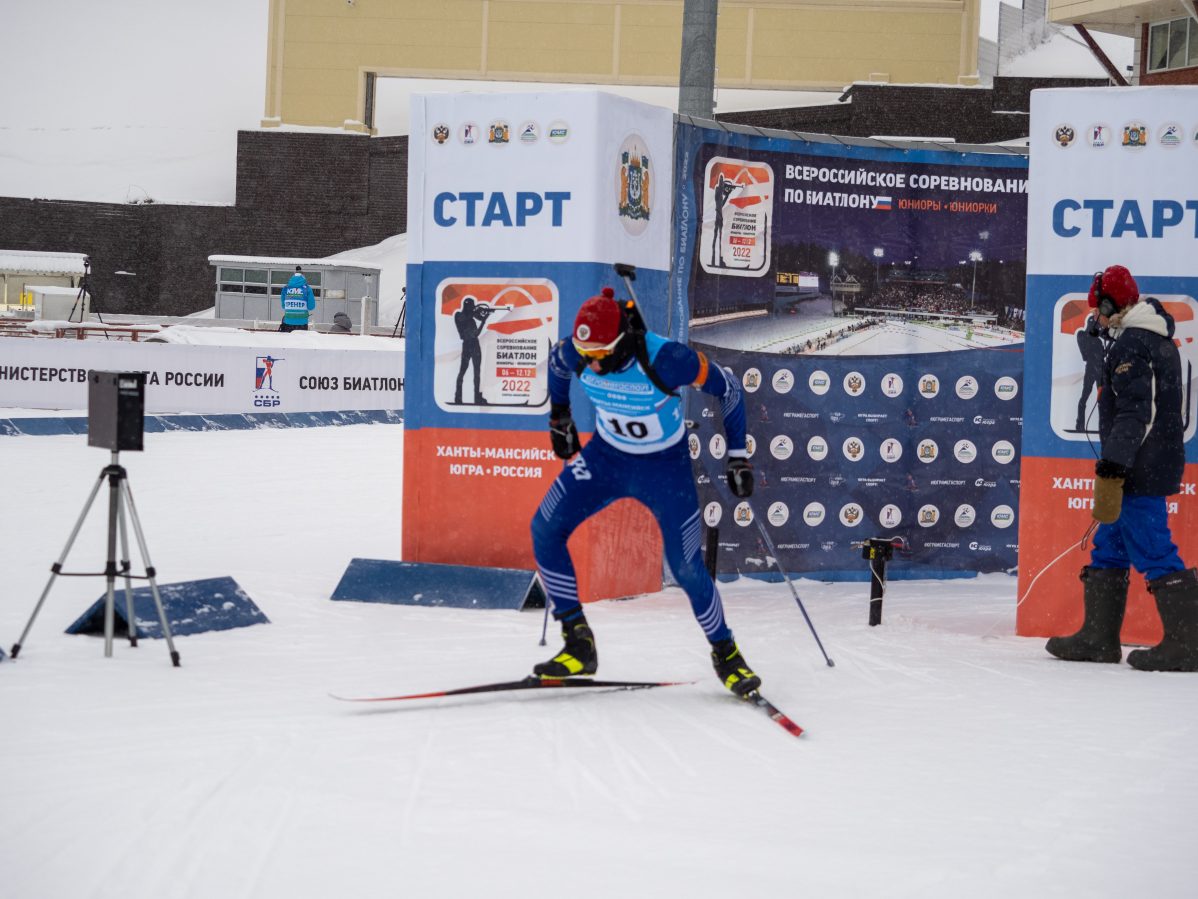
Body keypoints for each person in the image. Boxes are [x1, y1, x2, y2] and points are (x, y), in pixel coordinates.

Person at [530, 286, 761, 695]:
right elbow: (557, 364)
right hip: (607, 459)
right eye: (586, 354)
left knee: (686, 567)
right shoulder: (578, 352)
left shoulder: (667, 359)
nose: (592, 363)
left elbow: (730, 389)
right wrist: (559, 417)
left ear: (621, 342)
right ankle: (578, 642)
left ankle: (726, 654)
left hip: (664, 469)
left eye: (601, 354)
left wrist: (738, 456)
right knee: (545, 528)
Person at [1046, 264, 1197, 671]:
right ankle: (1098, 639)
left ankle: (1187, 645)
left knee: (1153, 548)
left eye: (1098, 308)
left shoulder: (1133, 344)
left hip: (1139, 468)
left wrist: (1113, 464)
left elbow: (1136, 414)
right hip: (1143, 463)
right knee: (1110, 545)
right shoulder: (1149, 339)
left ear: (1113, 305)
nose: (1095, 316)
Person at [1073, 311, 1105, 431]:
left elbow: (1102, 353)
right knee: (1087, 395)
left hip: (1097, 368)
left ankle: (1100, 425)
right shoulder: (1086, 337)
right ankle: (1080, 424)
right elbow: (1086, 353)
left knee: (1098, 397)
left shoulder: (1096, 340)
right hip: (1094, 367)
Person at [279, 266, 316, 332]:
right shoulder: (307, 288)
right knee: (300, 339)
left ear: (292, 277)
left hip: (288, 322)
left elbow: (284, 306)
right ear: (303, 277)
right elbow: (311, 307)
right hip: (302, 323)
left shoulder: (286, 288)